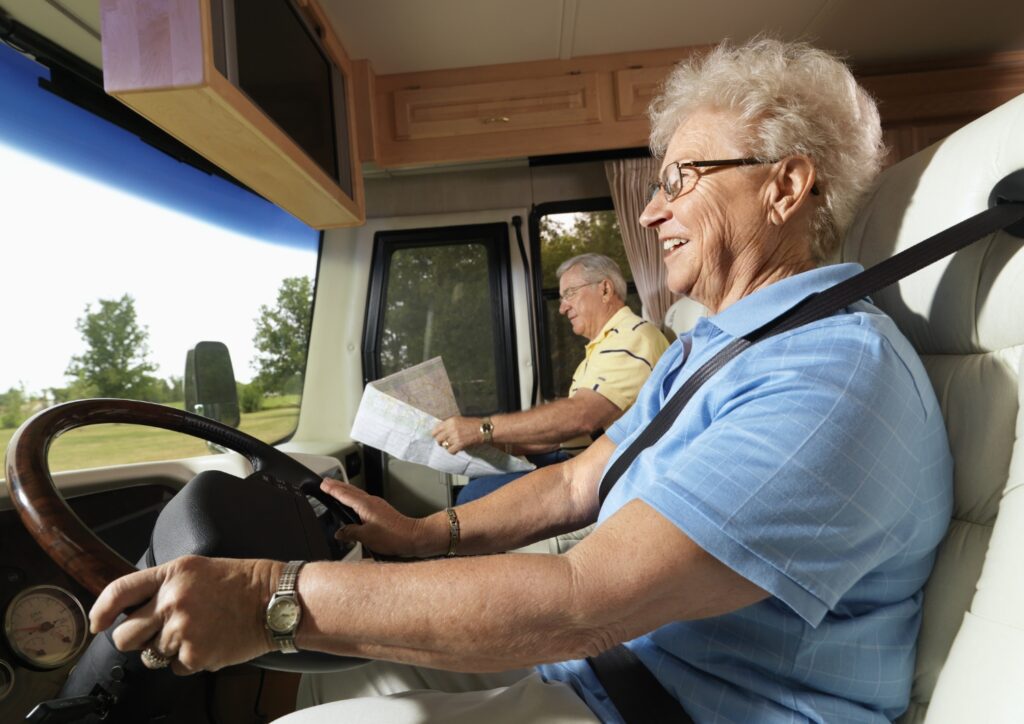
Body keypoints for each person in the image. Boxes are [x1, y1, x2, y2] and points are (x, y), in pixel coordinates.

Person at [89, 38, 953, 723]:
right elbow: (583, 476)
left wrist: (266, 597)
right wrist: (425, 538)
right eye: (654, 187)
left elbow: (586, 600)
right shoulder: (714, 346)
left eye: (680, 180)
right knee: (332, 676)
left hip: (677, 704)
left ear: (788, 186)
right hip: (614, 667)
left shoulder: (832, 377)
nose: (651, 213)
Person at [435, 252, 670, 504]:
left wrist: (484, 429)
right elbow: (560, 436)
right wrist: (500, 446)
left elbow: (582, 416)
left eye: (570, 293)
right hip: (581, 457)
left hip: (604, 470)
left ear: (604, 289)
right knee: (477, 481)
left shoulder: (632, 337)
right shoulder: (601, 347)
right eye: (561, 298)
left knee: (471, 497)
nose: (561, 308)